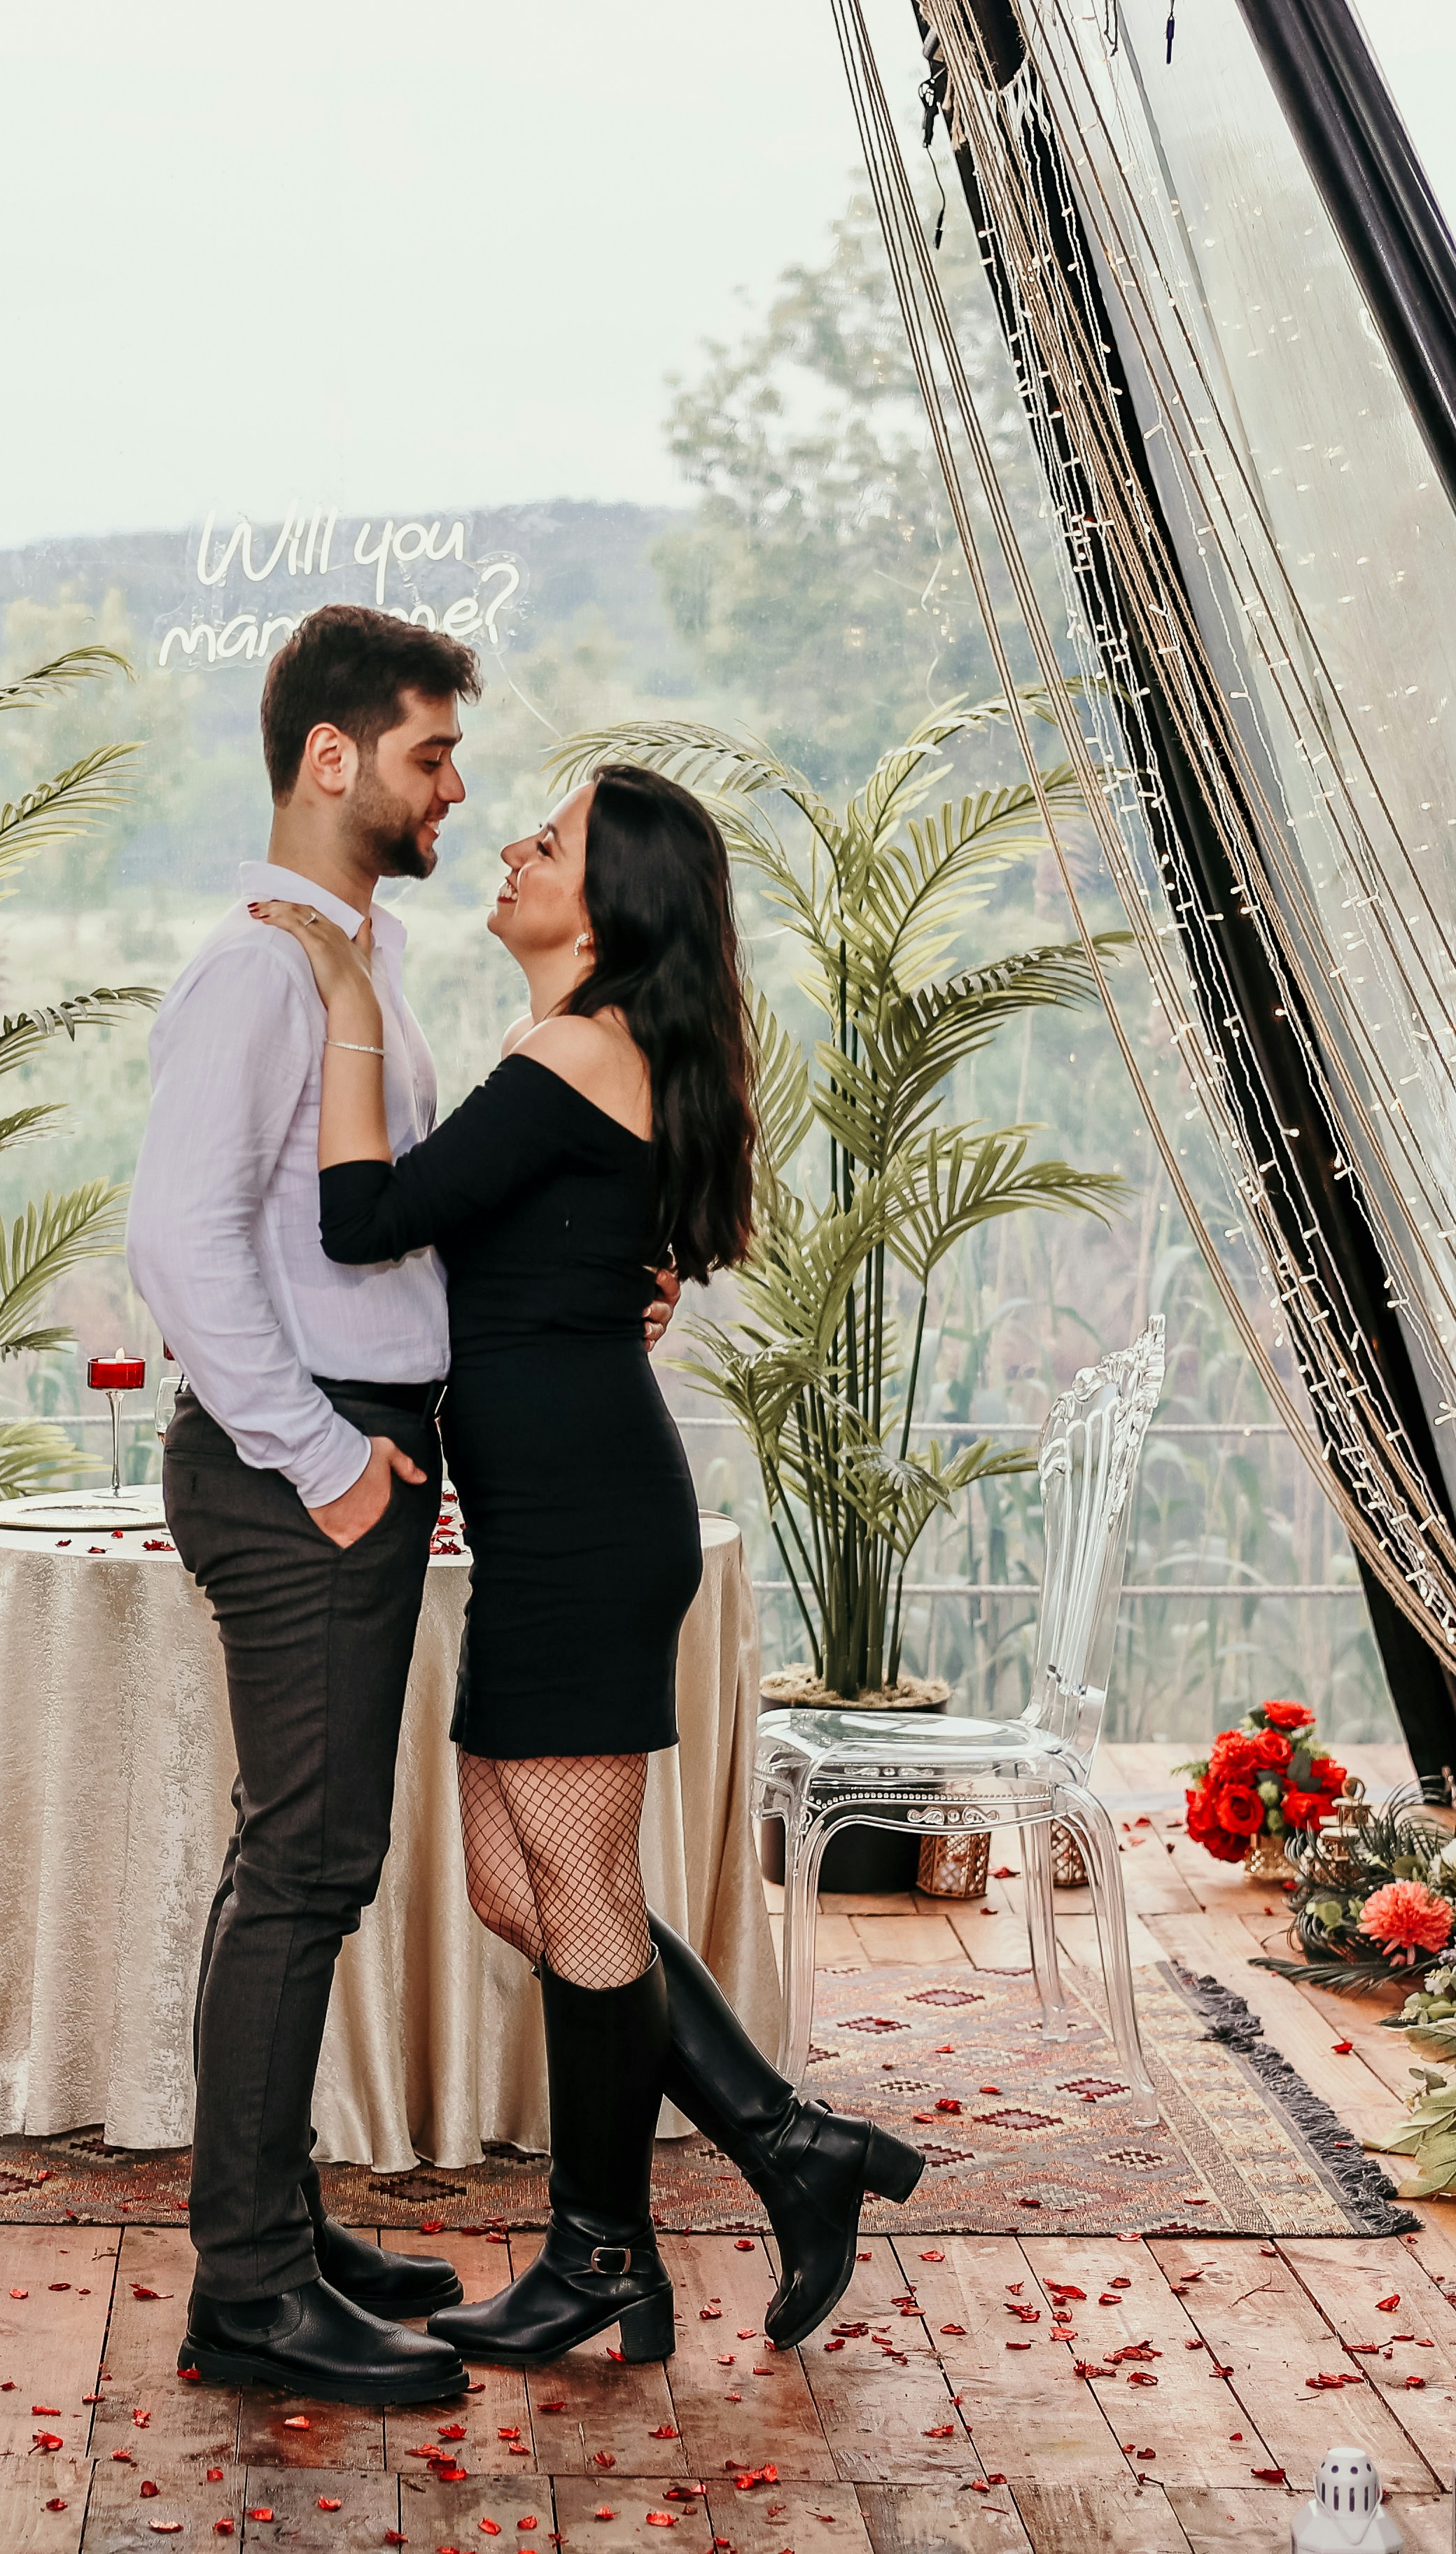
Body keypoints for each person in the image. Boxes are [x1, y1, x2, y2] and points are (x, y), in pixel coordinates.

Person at [248, 762, 922, 2366]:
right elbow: (557, 1251)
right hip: (562, 1522)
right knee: (525, 1890)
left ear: (605, 910)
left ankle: (605, 2253)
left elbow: (368, 1219)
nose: (512, 847)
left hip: (584, 1532)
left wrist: (348, 997)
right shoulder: (596, 1054)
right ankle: (788, 2143)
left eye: (546, 843)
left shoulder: (570, 1053)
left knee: (583, 1896)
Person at [127, 603, 485, 2406]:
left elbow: (371, 1228)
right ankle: (251, 2295)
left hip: (346, 1445)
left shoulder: (359, 963)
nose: (455, 788)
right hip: (300, 1466)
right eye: (432, 753)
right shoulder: (262, 975)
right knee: (307, 1867)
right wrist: (332, 1462)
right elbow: (178, 1244)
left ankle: (277, 2228)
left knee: (300, 1858)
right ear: (332, 760)